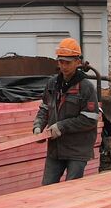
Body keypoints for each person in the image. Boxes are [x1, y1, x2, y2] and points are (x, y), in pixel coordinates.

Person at [32, 37, 100, 185]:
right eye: (61, 62)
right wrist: (38, 126)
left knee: (71, 192)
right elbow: (44, 107)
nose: (63, 66)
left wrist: (61, 126)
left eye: (67, 62)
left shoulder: (86, 87)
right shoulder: (52, 84)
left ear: (77, 62)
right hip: (55, 149)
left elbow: (90, 119)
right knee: (47, 189)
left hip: (77, 151)